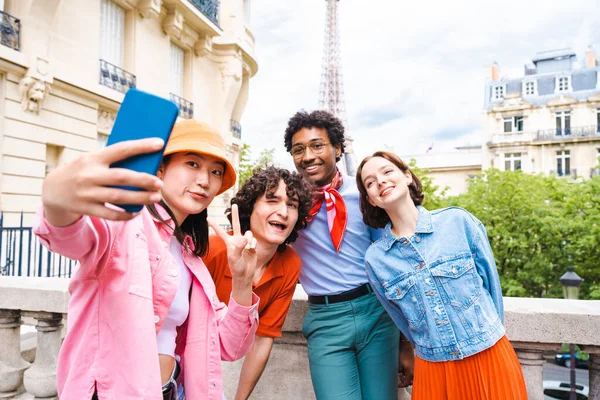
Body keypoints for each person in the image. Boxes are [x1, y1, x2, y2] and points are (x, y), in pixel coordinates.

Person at [33, 120, 260, 400]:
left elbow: (229, 346)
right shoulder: (124, 220)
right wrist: (58, 202)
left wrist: (242, 279)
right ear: (161, 168)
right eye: (192, 164)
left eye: (215, 172)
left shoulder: (190, 257)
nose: (205, 180)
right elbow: (68, 236)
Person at [355, 150, 528, 400]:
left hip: (489, 356)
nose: (380, 181)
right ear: (371, 199)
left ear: (407, 177)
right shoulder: (376, 259)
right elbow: (400, 319)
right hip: (432, 368)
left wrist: (487, 339)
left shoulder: (458, 222)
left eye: (387, 172)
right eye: (370, 182)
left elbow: (492, 290)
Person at [283, 110, 404, 400]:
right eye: (298, 150)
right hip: (326, 320)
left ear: (337, 148)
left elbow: (392, 259)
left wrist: (407, 344)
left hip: (375, 312)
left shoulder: (367, 193)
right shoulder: (289, 201)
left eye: (317, 145)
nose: (308, 156)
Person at [203, 166, 313, 399]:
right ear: (249, 208)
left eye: (292, 205)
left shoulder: (290, 264)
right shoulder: (213, 251)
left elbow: (263, 339)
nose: (283, 212)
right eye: (271, 201)